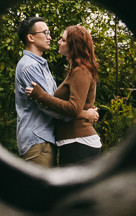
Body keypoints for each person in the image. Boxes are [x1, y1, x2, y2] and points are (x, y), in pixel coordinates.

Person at [14, 17, 99, 168]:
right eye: (45, 32)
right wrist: (85, 114)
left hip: (62, 139)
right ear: (31, 37)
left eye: (62, 39)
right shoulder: (30, 67)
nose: (51, 37)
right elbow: (47, 105)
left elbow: (56, 102)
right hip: (39, 139)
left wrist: (80, 111)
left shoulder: (74, 69)